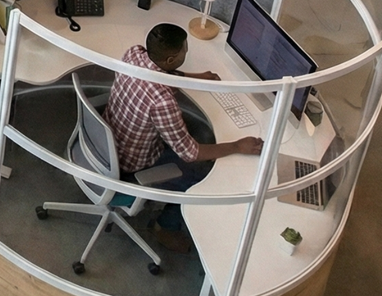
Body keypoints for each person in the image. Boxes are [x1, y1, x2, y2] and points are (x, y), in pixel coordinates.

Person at [106, 23, 264, 253]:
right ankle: (165, 229)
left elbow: (161, 72)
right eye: (184, 52)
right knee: (205, 174)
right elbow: (191, 153)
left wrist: (195, 78)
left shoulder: (134, 53)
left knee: (195, 130)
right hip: (132, 164)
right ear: (171, 60)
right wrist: (238, 145)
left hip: (113, 140)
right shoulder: (162, 101)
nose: (187, 53)